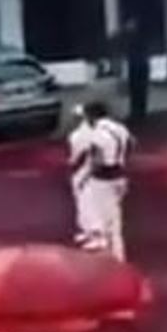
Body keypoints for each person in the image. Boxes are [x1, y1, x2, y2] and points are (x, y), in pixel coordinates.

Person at [81, 101, 133, 261]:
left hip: (103, 179)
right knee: (115, 218)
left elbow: (97, 160)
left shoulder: (97, 134)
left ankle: (112, 259)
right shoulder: (120, 128)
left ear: (91, 116)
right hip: (120, 176)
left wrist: (86, 176)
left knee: (103, 219)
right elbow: (131, 143)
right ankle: (118, 254)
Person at [67, 104, 98, 248]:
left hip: (87, 173)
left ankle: (97, 237)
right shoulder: (95, 132)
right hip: (86, 172)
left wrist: (72, 163)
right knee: (83, 204)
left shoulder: (77, 136)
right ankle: (87, 232)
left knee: (89, 204)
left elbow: (76, 157)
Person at [122, 18, 150, 123]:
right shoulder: (132, 38)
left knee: (139, 90)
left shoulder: (136, 38)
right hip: (136, 65)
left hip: (139, 65)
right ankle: (137, 111)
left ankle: (139, 112)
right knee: (136, 90)